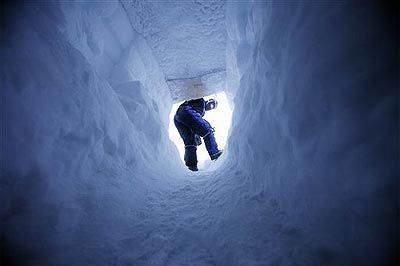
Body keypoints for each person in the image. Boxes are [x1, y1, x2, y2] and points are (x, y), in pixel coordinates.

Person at [174, 97, 223, 171]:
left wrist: (196, 136)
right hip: (185, 110)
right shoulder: (200, 100)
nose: (211, 107)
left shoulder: (199, 111)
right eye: (212, 104)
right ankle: (215, 153)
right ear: (209, 100)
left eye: (213, 108)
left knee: (190, 141)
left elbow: (193, 123)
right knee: (207, 129)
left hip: (178, 117)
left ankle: (191, 166)